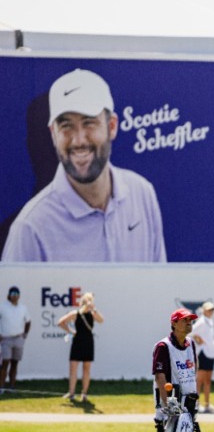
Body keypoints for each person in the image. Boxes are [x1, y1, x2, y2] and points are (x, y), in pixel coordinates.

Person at [2, 68, 166, 262]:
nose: (78, 140)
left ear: (112, 126)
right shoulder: (30, 228)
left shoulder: (142, 194)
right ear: (53, 134)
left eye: (89, 123)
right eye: (66, 126)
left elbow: (159, 288)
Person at [151, 307, 200, 432]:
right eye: (184, 320)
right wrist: (168, 406)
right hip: (170, 409)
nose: (189, 323)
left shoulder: (191, 345)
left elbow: (192, 371)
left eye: (190, 320)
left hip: (188, 408)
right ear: (174, 324)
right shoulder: (163, 346)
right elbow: (160, 377)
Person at [58, 291, 104, 402]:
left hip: (88, 342)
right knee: (73, 368)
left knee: (86, 368)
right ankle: (72, 392)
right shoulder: (76, 313)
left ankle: (84, 393)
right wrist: (71, 331)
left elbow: (101, 320)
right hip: (77, 341)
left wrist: (94, 309)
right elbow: (61, 322)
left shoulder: (93, 314)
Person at [189, 301, 214, 413]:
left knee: (208, 380)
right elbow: (190, 332)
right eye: (209, 309)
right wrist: (197, 338)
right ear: (204, 310)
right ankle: (196, 404)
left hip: (210, 354)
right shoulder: (201, 322)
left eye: (212, 310)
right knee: (199, 380)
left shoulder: (210, 322)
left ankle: (207, 405)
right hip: (203, 354)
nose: (211, 312)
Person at [0, 286, 31, 390]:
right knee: (5, 362)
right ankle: (1, 387)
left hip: (18, 339)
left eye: (17, 294)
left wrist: (25, 334)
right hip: (6, 339)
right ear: (9, 295)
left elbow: (28, 321)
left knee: (15, 363)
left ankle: (12, 386)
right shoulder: (2, 306)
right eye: (13, 294)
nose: (15, 296)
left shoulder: (23, 308)